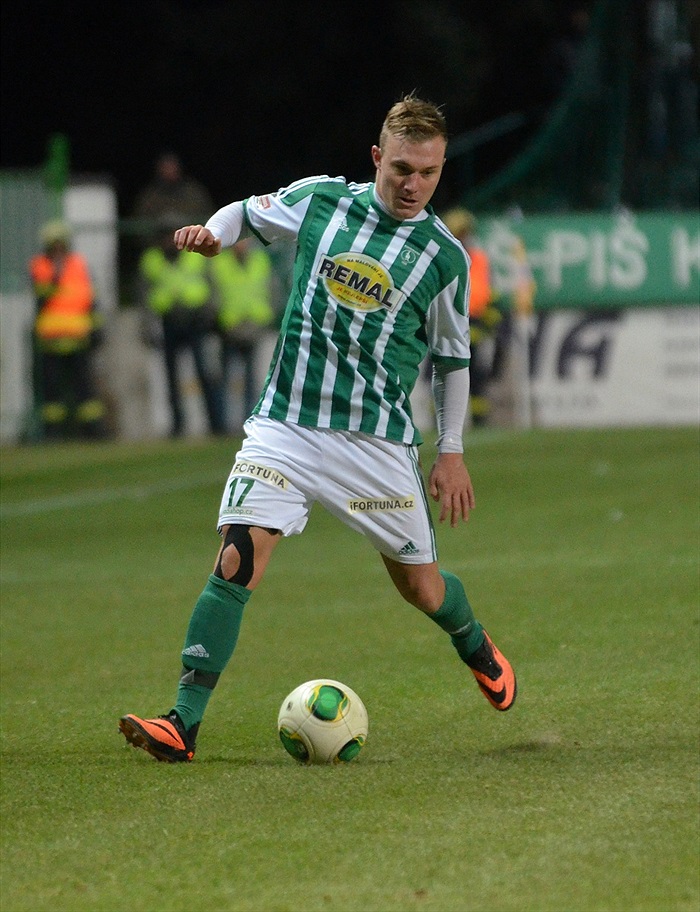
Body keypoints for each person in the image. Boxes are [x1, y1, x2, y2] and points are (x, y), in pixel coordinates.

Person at [119, 94, 517, 763]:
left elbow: (452, 359)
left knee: (421, 587)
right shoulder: (323, 201)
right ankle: (181, 723)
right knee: (237, 560)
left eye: (428, 172)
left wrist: (451, 453)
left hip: (377, 444)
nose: (413, 184)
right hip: (287, 427)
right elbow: (244, 213)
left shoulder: (445, 258)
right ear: (375, 159)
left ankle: (473, 641)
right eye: (400, 169)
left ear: (441, 168)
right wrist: (215, 234)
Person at [138, 229, 225, 437]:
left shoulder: (194, 254)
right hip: (168, 320)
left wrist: (210, 314)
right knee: (171, 377)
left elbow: (211, 284)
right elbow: (144, 293)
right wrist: (148, 325)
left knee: (205, 373)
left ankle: (216, 423)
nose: (169, 241)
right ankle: (177, 424)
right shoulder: (151, 259)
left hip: (195, 318)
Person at [28, 219, 106, 439]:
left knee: (84, 388)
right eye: (54, 245)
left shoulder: (79, 264)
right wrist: (55, 275)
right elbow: (40, 297)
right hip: (51, 338)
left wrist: (96, 329)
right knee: (51, 391)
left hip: (78, 335)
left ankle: (92, 433)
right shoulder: (39, 265)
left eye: (61, 244)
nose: (58, 249)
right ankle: (53, 434)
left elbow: (91, 299)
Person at [441, 208, 501, 426]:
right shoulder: (443, 257)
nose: (465, 236)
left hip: (475, 322)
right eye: (461, 232)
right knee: (443, 371)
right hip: (447, 322)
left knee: (476, 372)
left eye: (466, 232)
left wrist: (490, 319)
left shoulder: (479, 258)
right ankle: (440, 420)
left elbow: (488, 290)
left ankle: (479, 418)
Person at [210, 238, 275, 432]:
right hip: (228, 327)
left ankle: (249, 419)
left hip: (254, 326)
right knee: (224, 378)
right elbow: (213, 294)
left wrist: (266, 316)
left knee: (251, 379)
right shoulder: (220, 263)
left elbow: (272, 289)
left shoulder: (260, 260)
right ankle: (221, 425)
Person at [133, 151, 214, 248]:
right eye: (165, 167)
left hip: (191, 247)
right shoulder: (150, 197)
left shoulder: (194, 193)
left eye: (172, 166)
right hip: (159, 247)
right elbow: (139, 227)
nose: (169, 171)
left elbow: (209, 220)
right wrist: (162, 238)